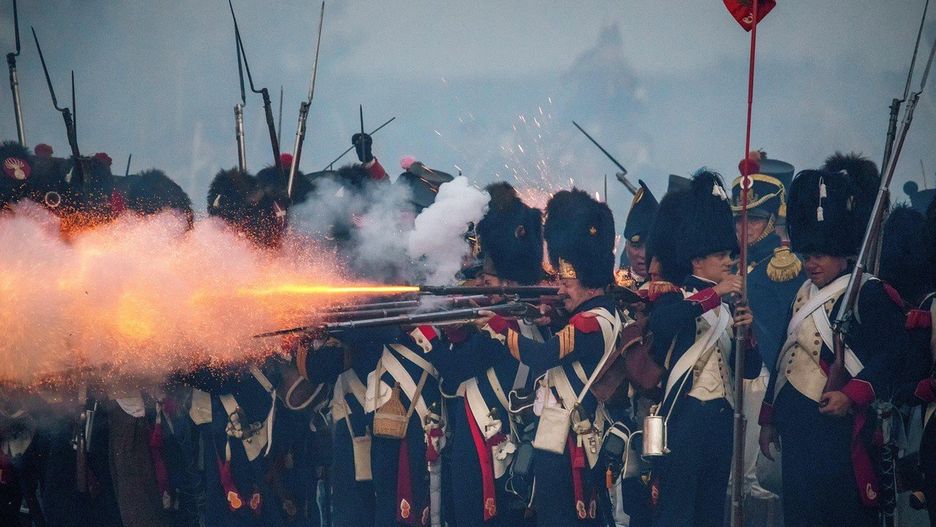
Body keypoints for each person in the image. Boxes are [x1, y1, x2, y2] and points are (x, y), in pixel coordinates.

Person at [758, 153, 910, 526]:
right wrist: (769, 418)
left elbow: (894, 354)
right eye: (808, 254)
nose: (811, 263)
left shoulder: (868, 292)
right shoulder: (804, 293)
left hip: (838, 434)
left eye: (820, 255)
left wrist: (852, 395)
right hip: (797, 433)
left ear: (842, 254)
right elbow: (784, 355)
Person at [475, 188, 623, 526]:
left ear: (584, 279)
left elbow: (541, 356)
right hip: (558, 440)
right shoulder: (592, 315)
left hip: (570, 442)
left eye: (565, 282)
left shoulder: (590, 322)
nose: (559, 289)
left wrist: (497, 326)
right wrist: (547, 317)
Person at [645, 169, 760, 527]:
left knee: (711, 511)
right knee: (676, 512)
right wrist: (715, 295)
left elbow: (751, 369)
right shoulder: (676, 297)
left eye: (730, 254)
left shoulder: (728, 307)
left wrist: (747, 331)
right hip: (684, 418)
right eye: (721, 255)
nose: (729, 261)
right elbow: (664, 325)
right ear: (697, 260)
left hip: (721, 421)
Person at [430, 182, 546, 526]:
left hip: (489, 445)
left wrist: (437, 336)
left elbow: (452, 370)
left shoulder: (495, 330)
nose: (485, 283)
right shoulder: (524, 321)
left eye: (490, 277)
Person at [616, 180, 658, 289]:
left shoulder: (674, 291)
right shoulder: (615, 286)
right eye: (636, 246)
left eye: (650, 246)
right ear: (626, 246)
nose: (643, 254)